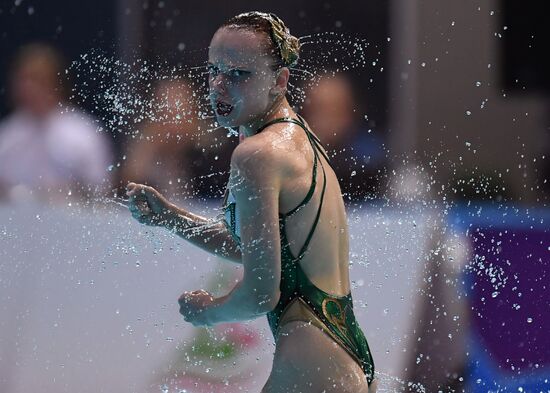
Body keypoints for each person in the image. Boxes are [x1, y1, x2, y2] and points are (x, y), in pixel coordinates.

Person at [126, 11, 377, 392]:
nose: (220, 87)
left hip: (310, 358)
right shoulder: (296, 138)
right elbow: (253, 248)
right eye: (214, 70)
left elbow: (261, 293)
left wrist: (209, 311)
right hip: (338, 348)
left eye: (239, 74)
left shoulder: (257, 155)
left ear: (280, 81)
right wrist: (171, 218)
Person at [0, 43, 112, 202]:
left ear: (55, 83)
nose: (28, 88)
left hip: (71, 218)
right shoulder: (8, 134)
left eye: (37, 80)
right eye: (23, 80)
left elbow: (101, 189)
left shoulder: (83, 132)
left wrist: (62, 193)